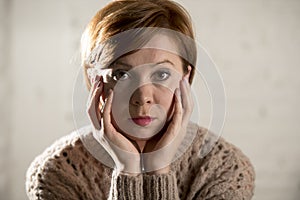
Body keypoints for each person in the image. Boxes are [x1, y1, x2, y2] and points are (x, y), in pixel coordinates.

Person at [26, 0, 255, 199]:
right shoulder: (57, 172)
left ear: (186, 77)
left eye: (161, 74)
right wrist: (127, 171)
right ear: (95, 81)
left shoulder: (225, 169)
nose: (143, 98)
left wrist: (159, 170)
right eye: (121, 74)